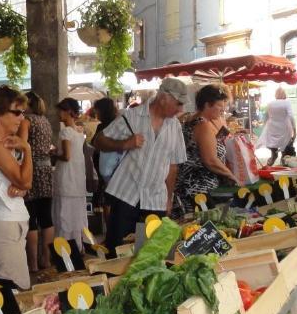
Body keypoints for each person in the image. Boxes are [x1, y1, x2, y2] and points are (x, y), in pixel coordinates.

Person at [93, 77, 188, 256]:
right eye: (178, 103)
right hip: (126, 195)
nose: (181, 109)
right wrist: (124, 144)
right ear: (163, 98)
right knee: (118, 253)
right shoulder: (132, 117)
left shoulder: (175, 126)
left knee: (154, 255)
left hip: (155, 199)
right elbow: (99, 141)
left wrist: (168, 198)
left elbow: (173, 165)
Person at [0, 86, 34, 289]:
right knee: (15, 292)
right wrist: (27, 149)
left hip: (9, 224)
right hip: (5, 226)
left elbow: (21, 185)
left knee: (15, 289)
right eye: (17, 112)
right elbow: (25, 180)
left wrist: (21, 188)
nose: (21, 118)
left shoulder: (0, 143)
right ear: (0, 113)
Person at [173, 84, 237, 218]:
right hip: (197, 191)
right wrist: (231, 176)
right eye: (220, 106)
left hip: (190, 188)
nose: (223, 109)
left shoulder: (193, 119)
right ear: (208, 105)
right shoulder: (203, 125)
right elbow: (210, 160)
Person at [23, 91, 55, 273]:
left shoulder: (27, 121)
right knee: (46, 217)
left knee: (31, 216)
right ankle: (47, 259)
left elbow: (22, 143)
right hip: (46, 169)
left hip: (32, 169)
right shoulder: (45, 121)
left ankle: (33, 263)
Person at [52, 97, 90, 243]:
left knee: (64, 215)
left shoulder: (66, 132)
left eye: (61, 111)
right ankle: (79, 246)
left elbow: (66, 156)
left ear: (68, 111)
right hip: (78, 178)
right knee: (77, 215)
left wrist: (55, 154)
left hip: (66, 177)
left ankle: (65, 247)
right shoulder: (79, 132)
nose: (58, 114)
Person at [257, 87, 297, 166]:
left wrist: (265, 128)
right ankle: (284, 166)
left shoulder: (270, 104)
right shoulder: (286, 102)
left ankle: (270, 164)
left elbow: (266, 117)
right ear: (284, 94)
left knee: (273, 152)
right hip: (284, 130)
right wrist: (294, 129)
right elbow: (291, 116)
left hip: (272, 130)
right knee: (286, 152)